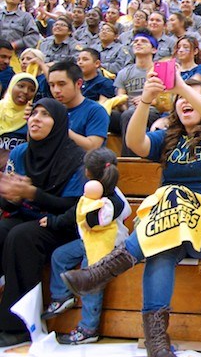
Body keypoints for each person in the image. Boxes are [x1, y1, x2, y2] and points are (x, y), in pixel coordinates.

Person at [62, 76, 201, 357]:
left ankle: (103, 270)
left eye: (192, 96)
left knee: (172, 195)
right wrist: (145, 100)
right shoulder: (169, 139)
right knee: (160, 248)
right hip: (173, 227)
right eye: (179, 98)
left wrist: (180, 85)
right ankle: (157, 344)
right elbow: (135, 142)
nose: (184, 101)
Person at [0, 99, 86, 347]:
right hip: (27, 218)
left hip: (61, 225)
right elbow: (10, 206)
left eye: (44, 115)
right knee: (4, 230)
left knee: (22, 237)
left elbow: (73, 207)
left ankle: (18, 327)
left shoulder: (75, 159)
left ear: (58, 124)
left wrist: (32, 194)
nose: (35, 118)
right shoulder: (20, 153)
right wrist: (10, 197)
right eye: (33, 113)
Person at [43, 148, 131, 345]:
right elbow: (76, 212)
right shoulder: (92, 192)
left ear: (88, 172)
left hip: (107, 246)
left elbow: (93, 220)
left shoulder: (113, 200)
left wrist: (95, 203)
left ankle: (88, 328)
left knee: (90, 279)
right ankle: (62, 296)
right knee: (60, 256)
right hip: (88, 241)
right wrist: (53, 222)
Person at [48, 61, 109, 151]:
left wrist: (61, 128)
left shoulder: (95, 111)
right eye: (52, 85)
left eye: (61, 84)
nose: (56, 90)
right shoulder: (50, 110)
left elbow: (93, 147)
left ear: (78, 84)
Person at [0, 73, 38, 171]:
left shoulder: (35, 115)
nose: (26, 91)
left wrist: (31, 121)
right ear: (11, 86)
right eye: (21, 86)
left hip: (19, 169)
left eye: (31, 89)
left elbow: (35, 147)